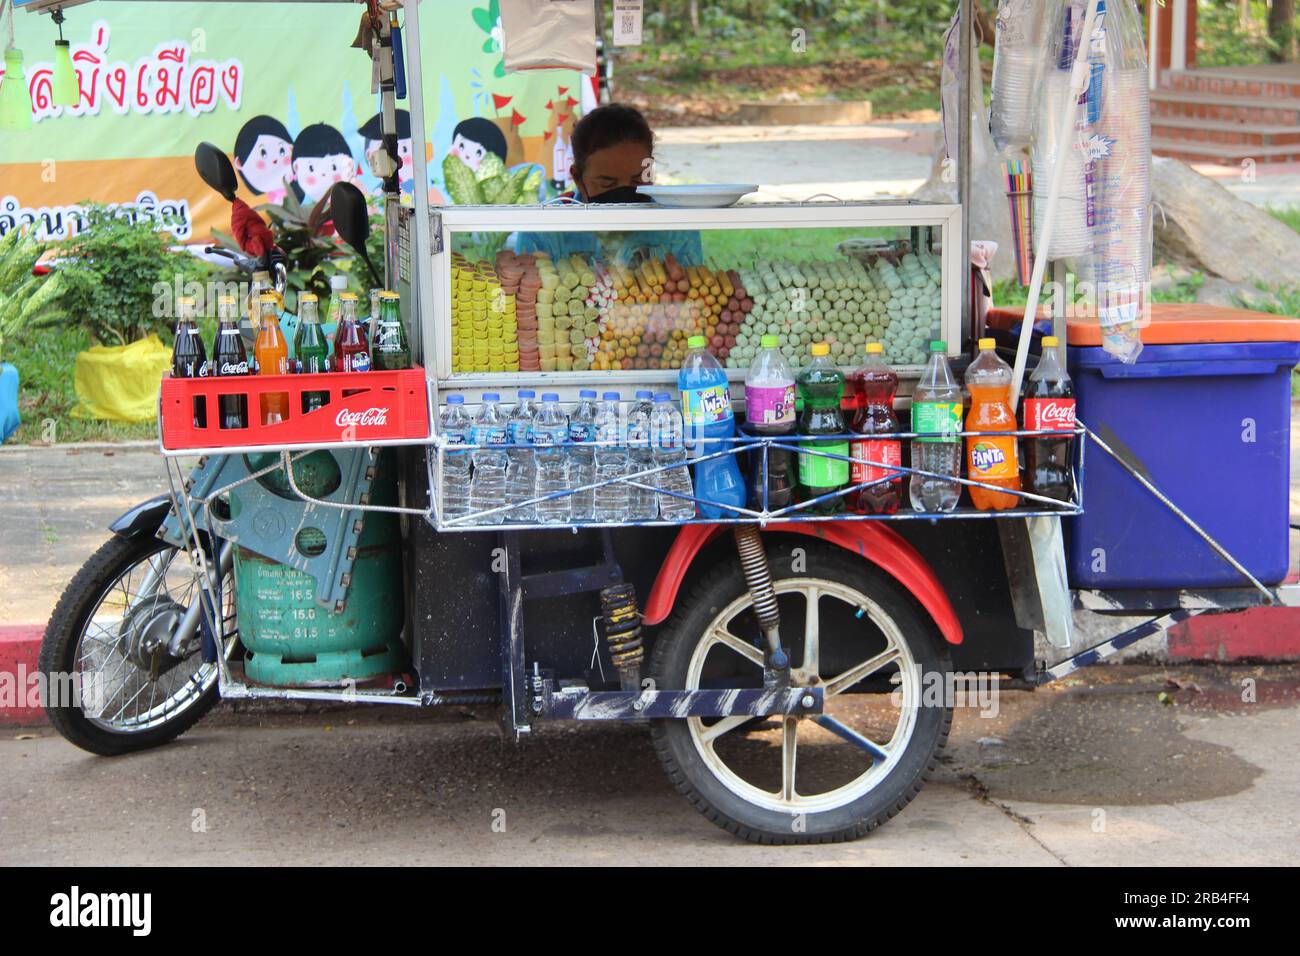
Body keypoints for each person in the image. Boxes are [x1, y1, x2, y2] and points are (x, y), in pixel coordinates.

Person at [516, 104, 701, 265]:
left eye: (637, 180)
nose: (624, 192)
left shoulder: (676, 226)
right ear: (578, 178)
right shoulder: (545, 231)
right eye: (607, 183)